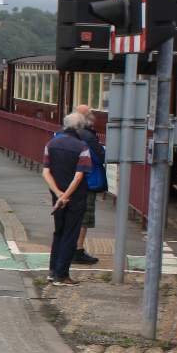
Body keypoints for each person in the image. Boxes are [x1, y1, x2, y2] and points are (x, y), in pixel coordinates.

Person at [41, 112, 93, 285]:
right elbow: (79, 176)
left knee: (58, 232)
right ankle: (61, 275)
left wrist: (58, 194)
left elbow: (45, 172)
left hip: (57, 196)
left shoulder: (51, 143)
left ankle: (52, 271)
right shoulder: (82, 147)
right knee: (70, 234)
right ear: (80, 128)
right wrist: (66, 196)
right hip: (75, 197)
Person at [72, 104, 104, 265]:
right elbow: (100, 157)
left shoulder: (67, 133)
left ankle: (69, 249)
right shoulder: (88, 136)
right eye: (91, 113)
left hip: (68, 180)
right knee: (84, 218)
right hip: (87, 181)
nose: (94, 116)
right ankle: (77, 250)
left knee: (70, 216)